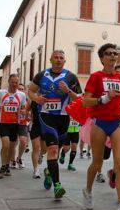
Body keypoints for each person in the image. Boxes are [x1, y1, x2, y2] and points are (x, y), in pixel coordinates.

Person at [81, 43, 120, 210]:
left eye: (115, 53)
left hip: (116, 122)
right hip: (99, 123)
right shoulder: (95, 77)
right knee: (97, 163)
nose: (113, 56)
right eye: (109, 53)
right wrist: (103, 98)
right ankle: (87, 191)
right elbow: (86, 101)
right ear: (102, 58)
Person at [28, 50, 81, 199]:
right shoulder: (41, 75)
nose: (58, 60)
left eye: (61, 58)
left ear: (65, 61)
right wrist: (36, 98)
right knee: (52, 149)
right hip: (46, 117)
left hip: (64, 118)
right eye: (56, 57)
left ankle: (49, 172)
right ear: (50, 59)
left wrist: (68, 90)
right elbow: (31, 91)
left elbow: (79, 98)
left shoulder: (71, 77)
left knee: (56, 151)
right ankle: (57, 186)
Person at [0, 74, 27, 178]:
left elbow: (24, 107)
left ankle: (7, 166)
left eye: (16, 82)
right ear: (9, 82)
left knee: (11, 148)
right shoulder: (1, 92)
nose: (14, 84)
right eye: (12, 82)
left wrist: (23, 111)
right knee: (5, 145)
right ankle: (3, 166)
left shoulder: (22, 95)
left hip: (15, 123)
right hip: (3, 122)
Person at [15, 83, 29, 169]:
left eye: (22, 89)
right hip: (13, 123)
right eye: (19, 89)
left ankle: (19, 158)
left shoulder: (28, 101)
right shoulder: (13, 99)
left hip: (23, 124)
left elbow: (32, 113)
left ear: (25, 91)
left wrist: (27, 113)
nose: (20, 90)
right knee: (13, 143)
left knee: (23, 142)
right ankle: (12, 160)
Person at [29, 100, 45, 179]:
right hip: (36, 126)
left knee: (44, 149)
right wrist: (26, 115)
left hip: (46, 126)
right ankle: (36, 170)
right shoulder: (33, 101)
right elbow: (26, 110)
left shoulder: (49, 98)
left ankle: (41, 155)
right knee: (36, 147)